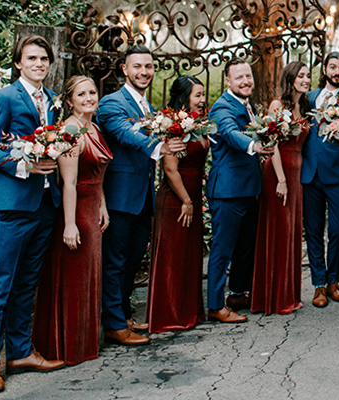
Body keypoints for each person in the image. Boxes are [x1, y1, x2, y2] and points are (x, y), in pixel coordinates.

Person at [0, 35, 66, 392]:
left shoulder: (53, 102)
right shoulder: (4, 98)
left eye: (44, 59)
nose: (39, 64)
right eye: (31, 58)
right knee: (1, 284)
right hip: (13, 203)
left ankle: (19, 351)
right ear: (18, 63)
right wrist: (23, 167)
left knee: (27, 283)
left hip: (45, 203)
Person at [97, 44, 186, 345]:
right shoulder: (111, 103)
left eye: (148, 67)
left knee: (133, 258)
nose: (144, 72)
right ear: (124, 69)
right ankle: (113, 324)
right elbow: (125, 133)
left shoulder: (148, 106)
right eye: (137, 66)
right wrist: (160, 147)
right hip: (120, 196)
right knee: (115, 261)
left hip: (141, 196)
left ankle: (123, 316)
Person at [32, 76, 111, 366]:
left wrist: (102, 205)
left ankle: (85, 342)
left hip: (92, 208)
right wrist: (69, 224)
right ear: (70, 100)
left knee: (89, 276)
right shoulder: (70, 130)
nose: (89, 97)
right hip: (75, 210)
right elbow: (69, 182)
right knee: (75, 278)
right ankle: (68, 345)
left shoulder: (95, 127)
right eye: (81, 94)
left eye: (92, 92)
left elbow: (99, 173)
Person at [206, 58, 274, 322]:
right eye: (239, 77)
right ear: (227, 81)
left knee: (245, 247)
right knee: (222, 250)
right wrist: (254, 146)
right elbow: (230, 132)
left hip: (248, 189)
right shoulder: (221, 107)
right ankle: (215, 306)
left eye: (248, 76)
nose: (246, 81)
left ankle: (236, 293)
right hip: (227, 191)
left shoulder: (247, 106)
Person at [146, 76, 209, 333]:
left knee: (189, 256)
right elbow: (170, 169)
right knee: (173, 259)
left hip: (191, 197)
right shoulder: (174, 125)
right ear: (184, 98)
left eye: (204, 94)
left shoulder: (196, 124)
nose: (203, 100)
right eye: (197, 95)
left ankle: (188, 310)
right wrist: (186, 200)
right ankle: (169, 314)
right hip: (176, 199)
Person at [251, 61, 311, 314]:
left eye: (308, 75)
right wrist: (282, 180)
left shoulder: (304, 106)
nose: (306, 79)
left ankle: (289, 293)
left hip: (295, 173)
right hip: (278, 172)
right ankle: (274, 297)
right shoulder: (278, 105)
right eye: (301, 75)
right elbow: (270, 142)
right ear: (290, 78)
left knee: (291, 232)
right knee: (278, 231)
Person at [303, 52, 339, 307]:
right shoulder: (309, 99)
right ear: (325, 69)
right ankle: (318, 285)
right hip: (310, 174)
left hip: (338, 175)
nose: (338, 72)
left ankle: (334, 280)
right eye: (333, 67)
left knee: (337, 231)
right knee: (313, 231)